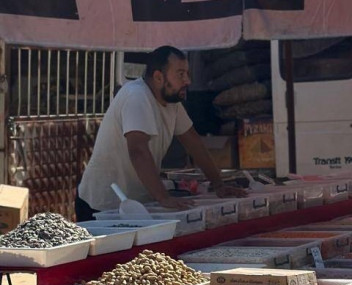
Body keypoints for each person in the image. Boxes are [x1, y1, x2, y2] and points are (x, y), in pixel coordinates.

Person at [77, 46, 245, 221]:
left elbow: (193, 142)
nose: (187, 80)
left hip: (137, 203)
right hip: (102, 205)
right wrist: (163, 197)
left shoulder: (172, 102)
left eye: (187, 73)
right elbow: (138, 151)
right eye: (180, 74)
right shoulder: (136, 96)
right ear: (158, 77)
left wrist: (218, 184)